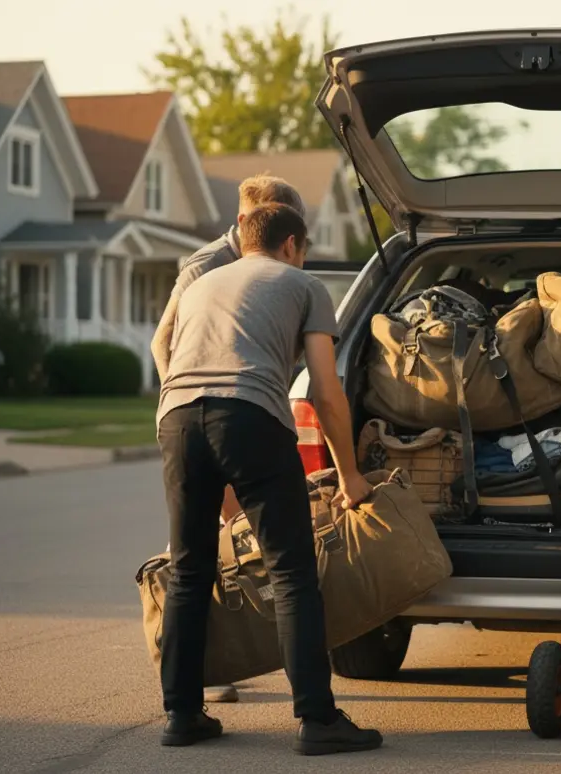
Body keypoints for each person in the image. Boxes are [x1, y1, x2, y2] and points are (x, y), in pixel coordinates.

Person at [155, 202, 381, 755]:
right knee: (291, 572)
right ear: (291, 245)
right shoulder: (302, 285)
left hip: (177, 418)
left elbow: (165, 348)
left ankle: (183, 715)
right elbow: (326, 392)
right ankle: (317, 719)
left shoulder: (202, 281)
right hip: (250, 415)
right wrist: (350, 475)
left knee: (189, 570)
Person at [151, 174, 306, 705]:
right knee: (235, 564)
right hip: (212, 418)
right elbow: (162, 342)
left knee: (198, 566)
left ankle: (182, 708)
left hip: (208, 419)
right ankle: (212, 678)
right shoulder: (203, 267)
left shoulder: (273, 272)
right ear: (246, 221)